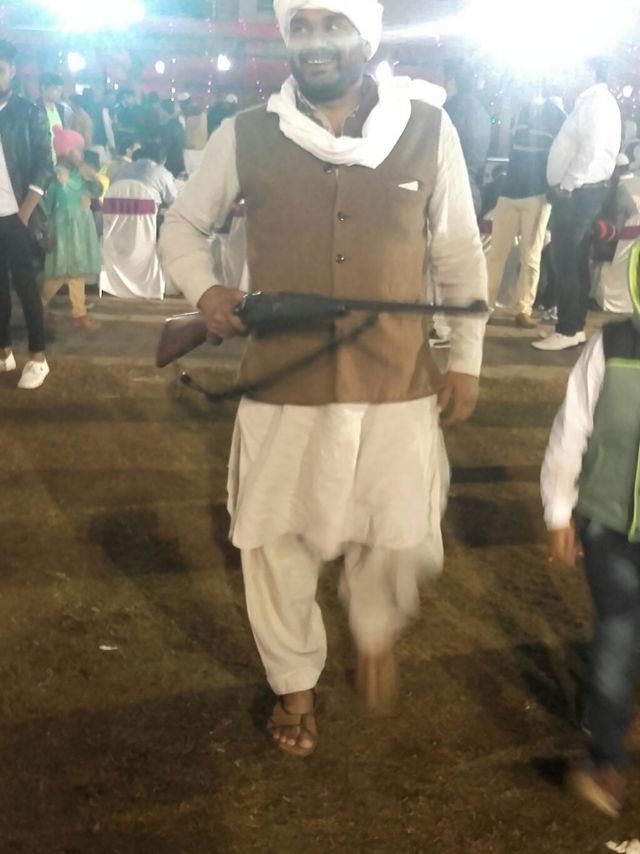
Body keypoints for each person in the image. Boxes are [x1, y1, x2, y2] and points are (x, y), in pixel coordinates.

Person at [161, 0, 487, 757]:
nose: (314, 42)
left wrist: (466, 358)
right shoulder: (246, 131)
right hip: (284, 383)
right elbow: (182, 227)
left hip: (397, 383)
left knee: (394, 531)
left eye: (332, 24)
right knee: (276, 540)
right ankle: (295, 684)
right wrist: (207, 294)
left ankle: (374, 629)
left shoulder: (428, 129)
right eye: (300, 27)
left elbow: (458, 251)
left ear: (364, 36)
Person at [540, 259, 640, 819]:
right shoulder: (612, 346)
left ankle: (617, 708)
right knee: (619, 631)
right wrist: (559, 509)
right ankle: (606, 759)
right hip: (610, 525)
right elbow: (571, 428)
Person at [533, 56, 622, 351]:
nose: (570, 75)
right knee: (575, 261)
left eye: (576, 70)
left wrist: (567, 185)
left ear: (590, 72)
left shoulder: (597, 103)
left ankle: (568, 328)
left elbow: (590, 150)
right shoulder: (592, 102)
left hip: (578, 194)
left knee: (567, 261)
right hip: (580, 193)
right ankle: (573, 326)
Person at [485, 86, 566, 328]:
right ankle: (487, 306)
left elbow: (559, 156)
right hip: (511, 192)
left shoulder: (556, 115)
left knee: (529, 256)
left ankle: (523, 309)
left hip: (536, 194)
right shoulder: (519, 113)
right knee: (498, 254)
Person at [0, 40, 54, 389]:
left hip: (17, 215)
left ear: (12, 72)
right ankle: (3, 351)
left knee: (26, 288)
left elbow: (45, 164)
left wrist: (25, 212)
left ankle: (38, 357)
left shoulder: (29, 113)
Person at [41, 126, 101, 332]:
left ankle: (79, 313)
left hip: (80, 226)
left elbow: (96, 191)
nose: (81, 155)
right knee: (60, 272)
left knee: (77, 270)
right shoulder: (57, 176)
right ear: (67, 151)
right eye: (78, 150)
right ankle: (38, 305)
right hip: (64, 229)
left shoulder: (79, 173)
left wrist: (92, 177)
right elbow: (47, 204)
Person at [442, 60, 491, 216]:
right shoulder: (482, 112)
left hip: (450, 189)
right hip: (472, 190)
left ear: (452, 81)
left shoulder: (449, 111)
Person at [111, 141, 178, 209]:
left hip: (114, 212)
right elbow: (173, 200)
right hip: (144, 214)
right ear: (163, 160)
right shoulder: (162, 173)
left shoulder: (121, 169)